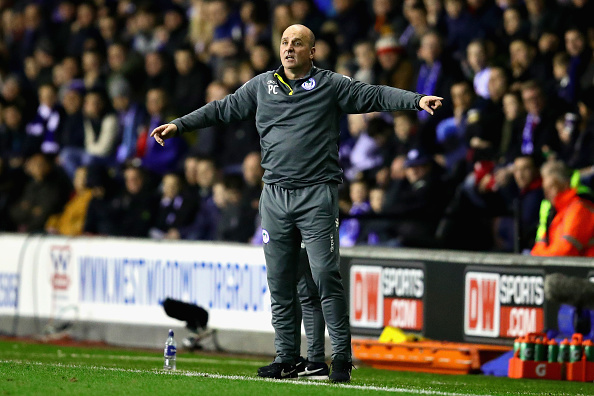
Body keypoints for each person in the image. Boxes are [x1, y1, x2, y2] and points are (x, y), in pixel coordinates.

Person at [150, 24, 443, 383]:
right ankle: (287, 356)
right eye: (285, 42)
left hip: (317, 194)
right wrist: (179, 125)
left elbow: (375, 95)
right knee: (280, 280)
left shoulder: (330, 85)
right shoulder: (261, 86)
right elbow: (221, 109)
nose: (289, 48)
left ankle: (342, 359)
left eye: (297, 43)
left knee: (324, 275)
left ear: (312, 51)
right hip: (274, 195)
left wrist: (416, 100)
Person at [531, 160, 594, 257]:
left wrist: (540, 257)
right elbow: (537, 249)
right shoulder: (557, 211)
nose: (548, 193)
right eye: (545, 188)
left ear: (565, 184)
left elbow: (565, 252)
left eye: (552, 186)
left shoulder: (579, 209)